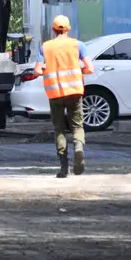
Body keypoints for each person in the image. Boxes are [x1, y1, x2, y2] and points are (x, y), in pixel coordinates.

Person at [34, 15, 94, 178]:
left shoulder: (45, 47)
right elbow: (90, 68)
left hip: (55, 94)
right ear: (68, 29)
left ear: (53, 30)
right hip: (74, 92)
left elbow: (37, 70)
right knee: (77, 125)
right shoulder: (78, 45)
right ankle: (79, 148)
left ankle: (63, 168)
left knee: (59, 129)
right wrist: (79, 70)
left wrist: (46, 70)